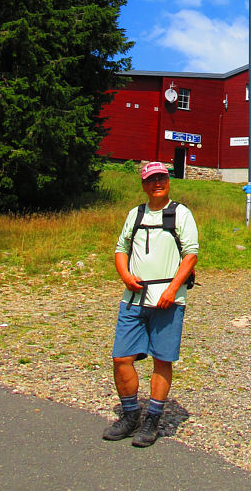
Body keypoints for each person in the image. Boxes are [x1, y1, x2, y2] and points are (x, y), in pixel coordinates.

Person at [102, 161, 199, 447]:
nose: (158, 183)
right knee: (121, 358)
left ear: (168, 181)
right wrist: (124, 275)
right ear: (144, 185)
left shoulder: (181, 213)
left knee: (162, 358)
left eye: (162, 178)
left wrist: (172, 290)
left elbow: (191, 254)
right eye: (152, 179)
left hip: (169, 299)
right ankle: (130, 414)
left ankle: (152, 419)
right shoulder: (136, 214)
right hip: (134, 297)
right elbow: (121, 248)